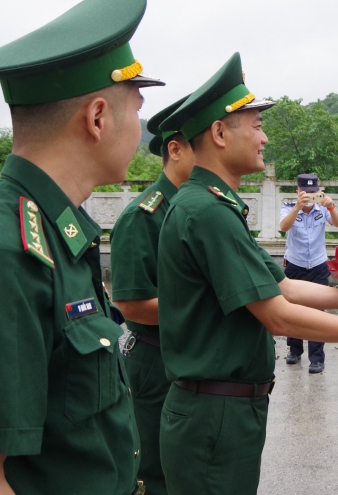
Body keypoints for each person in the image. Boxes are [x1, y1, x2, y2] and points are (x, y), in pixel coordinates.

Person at [155, 52, 338, 495]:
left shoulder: (211, 206)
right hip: (214, 414)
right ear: (219, 132)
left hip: (220, 409)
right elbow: (279, 316)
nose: (265, 137)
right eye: (255, 126)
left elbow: (284, 286)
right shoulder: (206, 212)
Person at [0, 0, 164, 493]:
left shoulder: (56, 231)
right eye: (136, 110)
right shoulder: (3, 252)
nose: (141, 130)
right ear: (97, 118)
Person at [109, 94, 194, 495]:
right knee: (155, 474)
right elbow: (130, 304)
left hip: (193, 356)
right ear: (174, 151)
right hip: (155, 360)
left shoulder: (200, 211)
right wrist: (208, 311)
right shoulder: (143, 216)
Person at [279, 173, 338, 373]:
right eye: (305, 192)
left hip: (317, 265)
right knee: (293, 309)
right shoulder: (288, 208)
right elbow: (283, 227)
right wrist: (298, 207)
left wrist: (331, 206)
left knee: (318, 311)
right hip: (295, 265)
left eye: (313, 192)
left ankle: (317, 358)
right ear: (297, 192)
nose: (309, 196)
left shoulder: (322, 209)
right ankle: (294, 350)